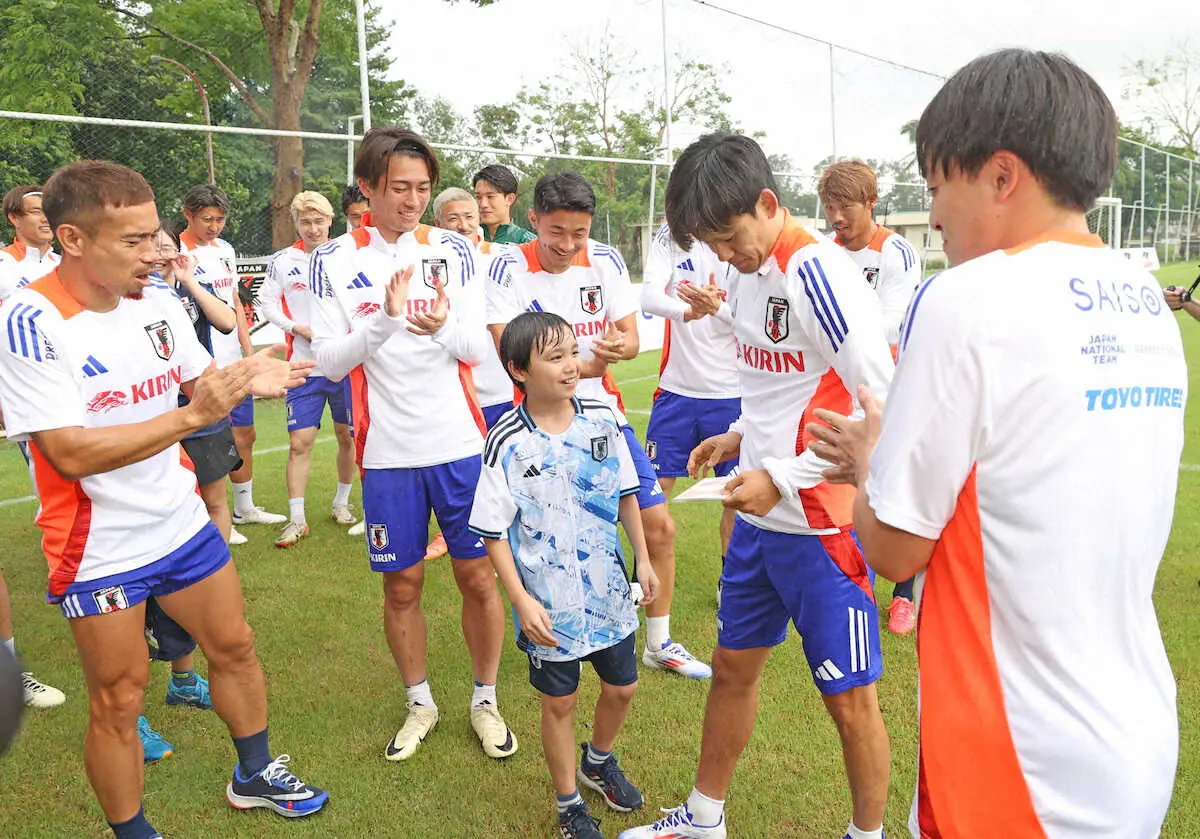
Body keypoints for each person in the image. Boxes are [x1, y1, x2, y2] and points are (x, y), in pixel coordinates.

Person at [807, 49, 1182, 839]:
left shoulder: (966, 299)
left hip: (1015, 759)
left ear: (1002, 175)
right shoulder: (1146, 303)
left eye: (940, 185)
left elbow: (896, 549)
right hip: (1135, 737)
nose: (935, 215)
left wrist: (872, 460)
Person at [0, 160, 326, 838]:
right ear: (73, 238)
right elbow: (68, 451)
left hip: (179, 521)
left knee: (233, 644)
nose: (157, 252)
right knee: (119, 698)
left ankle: (254, 773)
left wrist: (249, 371)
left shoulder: (156, 300)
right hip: (98, 547)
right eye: (134, 239)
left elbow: (200, 377)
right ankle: (134, 831)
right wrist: (187, 417)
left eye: (156, 234)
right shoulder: (29, 320)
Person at [619, 134, 894, 839]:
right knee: (733, 669)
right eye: (708, 242)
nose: (723, 254)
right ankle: (705, 817)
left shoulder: (816, 272)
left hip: (823, 527)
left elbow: (879, 409)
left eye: (729, 236)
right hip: (761, 519)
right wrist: (742, 433)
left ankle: (867, 835)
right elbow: (785, 380)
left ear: (768, 204)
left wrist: (785, 475)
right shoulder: (743, 274)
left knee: (850, 701)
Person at [309, 127, 517, 763]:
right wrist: (385, 323)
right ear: (367, 188)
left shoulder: (455, 249)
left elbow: (483, 350)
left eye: (422, 188)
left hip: (459, 444)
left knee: (478, 577)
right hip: (388, 454)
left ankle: (485, 700)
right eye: (399, 188)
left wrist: (444, 328)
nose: (413, 201)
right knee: (400, 586)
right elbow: (327, 362)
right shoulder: (335, 261)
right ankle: (419, 700)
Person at [487, 172, 711, 680]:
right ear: (534, 221)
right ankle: (548, 635)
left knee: (659, 526)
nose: (567, 245)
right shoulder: (506, 268)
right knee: (545, 541)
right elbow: (511, 358)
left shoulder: (605, 261)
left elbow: (630, 341)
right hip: (536, 426)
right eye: (557, 232)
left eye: (579, 234)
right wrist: (584, 364)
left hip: (603, 417)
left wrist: (613, 352)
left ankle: (659, 641)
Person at [470, 311, 659, 839]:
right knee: (561, 701)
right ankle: (568, 805)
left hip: (609, 590)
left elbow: (626, 491)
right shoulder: (506, 440)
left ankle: (597, 762)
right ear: (518, 371)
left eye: (572, 353)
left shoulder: (602, 417)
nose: (571, 366)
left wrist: (642, 558)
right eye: (554, 358)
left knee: (623, 686)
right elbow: (492, 530)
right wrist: (520, 600)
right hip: (548, 604)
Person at [818, 159, 922, 635]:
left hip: (890, 388)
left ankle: (905, 593)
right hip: (838, 386)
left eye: (845, 207)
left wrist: (834, 334)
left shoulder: (895, 253)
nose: (836, 217)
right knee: (850, 483)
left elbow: (891, 322)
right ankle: (859, 582)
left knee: (897, 486)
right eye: (829, 207)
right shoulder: (824, 253)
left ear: (871, 203)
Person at [640, 222, 740, 604]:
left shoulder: (742, 235)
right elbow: (649, 298)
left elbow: (754, 320)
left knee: (734, 494)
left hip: (731, 394)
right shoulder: (673, 233)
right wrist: (689, 311)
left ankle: (729, 581)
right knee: (654, 488)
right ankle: (644, 575)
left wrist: (717, 308)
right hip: (676, 391)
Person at [180, 185, 285, 539]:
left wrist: (247, 346)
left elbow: (234, 302)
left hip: (233, 360)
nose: (214, 226)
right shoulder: (178, 253)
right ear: (188, 215)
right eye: (207, 219)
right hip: (201, 366)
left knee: (244, 434)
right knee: (207, 441)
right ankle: (210, 513)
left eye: (220, 219)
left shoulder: (225, 249)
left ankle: (243, 508)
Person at [259, 191, 359, 548]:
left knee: (349, 436)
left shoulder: (348, 254)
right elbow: (266, 303)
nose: (313, 228)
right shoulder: (283, 260)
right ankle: (296, 519)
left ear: (330, 221)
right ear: (296, 223)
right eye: (306, 222)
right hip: (303, 365)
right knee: (300, 442)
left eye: (319, 221)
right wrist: (294, 327)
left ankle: (341, 503)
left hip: (344, 364)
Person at [0, 185, 60, 300]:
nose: (46, 219)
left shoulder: (64, 265)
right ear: (14, 218)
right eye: (36, 212)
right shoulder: (4, 264)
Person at [474, 164, 536, 245]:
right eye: (478, 197)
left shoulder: (528, 242)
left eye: (490, 196)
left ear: (510, 199)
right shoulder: (467, 238)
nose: (483, 204)